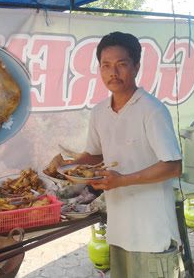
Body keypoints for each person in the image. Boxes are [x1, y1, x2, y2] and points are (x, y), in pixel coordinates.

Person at [58, 32, 185, 277]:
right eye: (106, 65)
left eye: (121, 65)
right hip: (119, 229)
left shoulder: (152, 110)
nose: (112, 73)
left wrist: (122, 180)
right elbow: (93, 155)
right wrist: (68, 167)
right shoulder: (99, 112)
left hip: (152, 231)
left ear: (136, 67)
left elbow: (173, 167)